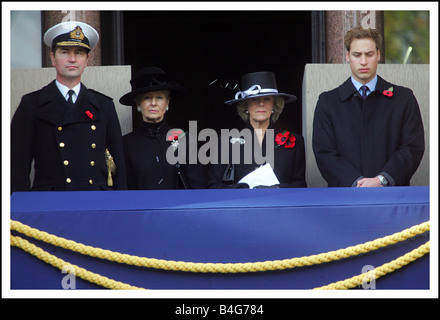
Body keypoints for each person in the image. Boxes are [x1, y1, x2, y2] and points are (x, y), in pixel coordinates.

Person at [11, 21, 127, 193]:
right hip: (50, 201)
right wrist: (18, 210)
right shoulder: (32, 105)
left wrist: (119, 206)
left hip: (96, 200)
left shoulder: (103, 105)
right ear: (53, 57)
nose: (72, 59)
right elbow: (17, 166)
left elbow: (119, 163)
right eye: (65, 52)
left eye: (79, 53)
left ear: (87, 60)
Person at [312, 26, 425, 187]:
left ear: (378, 55)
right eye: (357, 55)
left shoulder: (404, 99)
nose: (363, 61)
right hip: (345, 197)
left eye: (369, 54)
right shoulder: (328, 102)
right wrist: (355, 182)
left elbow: (412, 148)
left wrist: (382, 179)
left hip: (392, 197)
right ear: (347, 56)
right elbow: (324, 152)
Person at [208, 71, 307, 189]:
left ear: (274, 105)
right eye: (255, 100)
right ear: (245, 106)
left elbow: (300, 186)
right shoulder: (226, 142)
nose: (261, 104)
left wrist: (277, 189)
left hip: (280, 206)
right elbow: (213, 186)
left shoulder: (295, 141)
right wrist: (243, 189)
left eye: (267, 99)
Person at [120, 67, 207, 190]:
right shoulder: (126, 144)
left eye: (159, 97)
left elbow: (198, 190)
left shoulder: (186, 142)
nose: (153, 103)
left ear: (167, 103)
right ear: (138, 104)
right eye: (147, 98)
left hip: (178, 208)